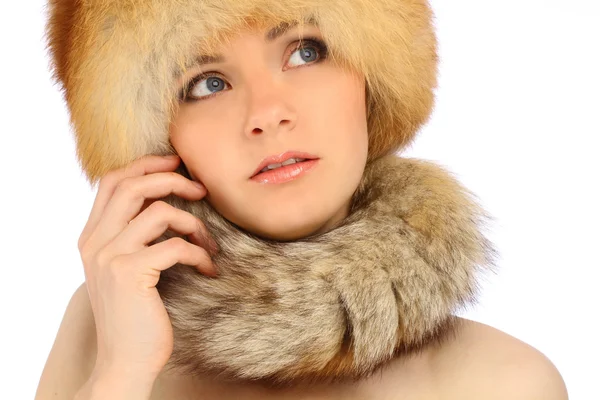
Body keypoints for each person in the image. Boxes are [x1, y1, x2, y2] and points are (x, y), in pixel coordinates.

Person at [35, 0, 568, 399]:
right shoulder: (105, 323)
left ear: (372, 78)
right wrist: (120, 374)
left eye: (305, 51)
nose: (267, 112)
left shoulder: (501, 380)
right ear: (158, 143)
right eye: (207, 83)